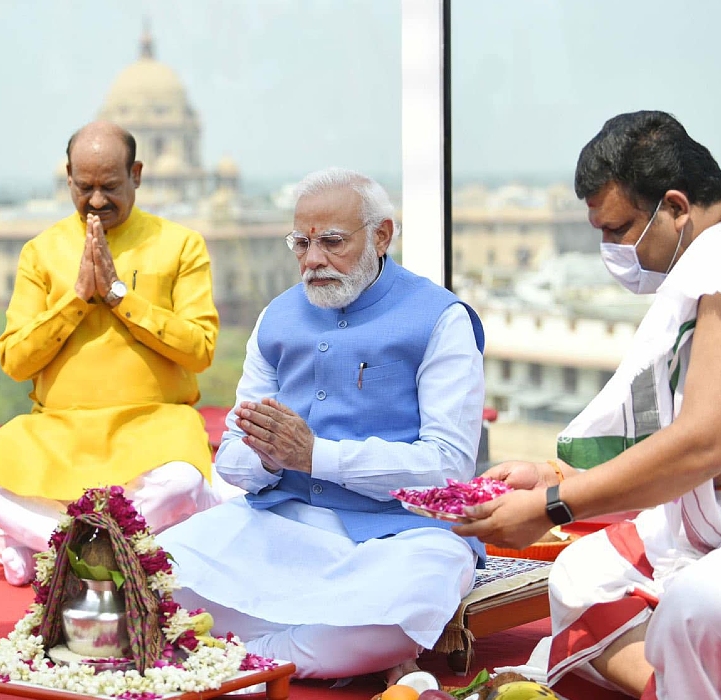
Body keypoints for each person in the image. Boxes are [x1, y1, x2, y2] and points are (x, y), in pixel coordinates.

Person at [157, 167, 487, 681]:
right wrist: (268, 456)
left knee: (410, 604)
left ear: (382, 236)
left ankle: (250, 656)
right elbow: (234, 458)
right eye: (301, 243)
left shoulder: (440, 319)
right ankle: (300, 651)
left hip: (399, 535)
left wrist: (318, 457)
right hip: (281, 521)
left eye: (332, 242)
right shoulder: (278, 318)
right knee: (151, 572)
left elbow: (449, 468)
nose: (312, 260)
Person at [455, 111, 721, 700]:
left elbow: (706, 442)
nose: (611, 249)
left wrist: (552, 506)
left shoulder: (720, 264)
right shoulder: (701, 272)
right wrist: (553, 476)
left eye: (620, 229)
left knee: (690, 613)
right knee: (581, 576)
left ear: (676, 207)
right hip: (704, 522)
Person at [0, 121, 222, 586]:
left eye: (110, 187)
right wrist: (76, 299)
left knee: (184, 481)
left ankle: (46, 546)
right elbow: (15, 361)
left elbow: (199, 350)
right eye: (85, 187)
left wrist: (121, 297)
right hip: (60, 428)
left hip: (153, 423)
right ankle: (79, 548)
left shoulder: (180, 245)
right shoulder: (42, 251)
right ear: (69, 179)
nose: (96, 200)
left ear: (136, 174)